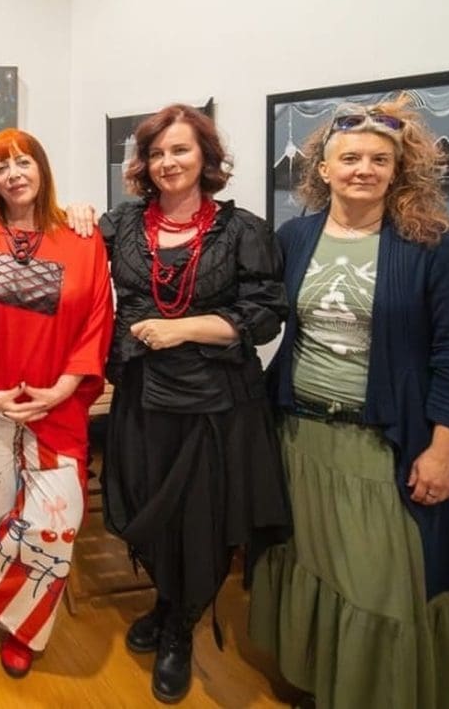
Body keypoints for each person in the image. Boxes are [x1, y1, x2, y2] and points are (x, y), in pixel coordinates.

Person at [248, 96, 449, 709]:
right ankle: (321, 684)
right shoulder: (296, 237)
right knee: (312, 563)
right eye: (350, 157)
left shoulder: (432, 247)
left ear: (398, 169)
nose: (364, 169)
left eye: (380, 159)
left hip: (381, 444)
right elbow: (259, 312)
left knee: (382, 585)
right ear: (323, 169)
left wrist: (445, 451)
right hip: (298, 435)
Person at [99, 103, 292, 704]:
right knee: (147, 506)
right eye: (156, 152)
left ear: (206, 156)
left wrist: (183, 328)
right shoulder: (122, 224)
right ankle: (165, 600)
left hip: (215, 402)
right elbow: (66, 254)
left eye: (180, 149)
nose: (167, 162)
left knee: (201, 519)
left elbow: (264, 315)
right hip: (142, 395)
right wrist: (72, 214)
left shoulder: (243, 231)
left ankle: (182, 628)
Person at [0, 128, 114, 680]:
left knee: (54, 524)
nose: (14, 174)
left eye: (23, 162)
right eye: (1, 166)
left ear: (42, 167)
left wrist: (62, 389)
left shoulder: (82, 238)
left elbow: (97, 321)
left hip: (55, 407)